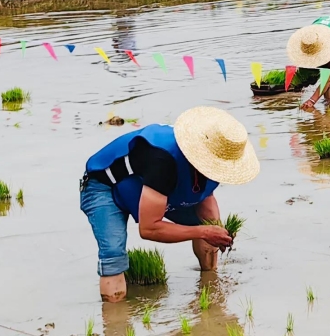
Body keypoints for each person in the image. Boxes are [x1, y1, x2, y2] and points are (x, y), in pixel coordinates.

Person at [80, 106, 258, 303]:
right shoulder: (162, 160)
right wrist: (204, 232)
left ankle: (210, 287)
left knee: (208, 225)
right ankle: (115, 315)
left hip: (153, 189)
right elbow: (149, 229)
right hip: (105, 186)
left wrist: (216, 230)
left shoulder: (212, 164)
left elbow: (205, 199)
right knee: (113, 252)